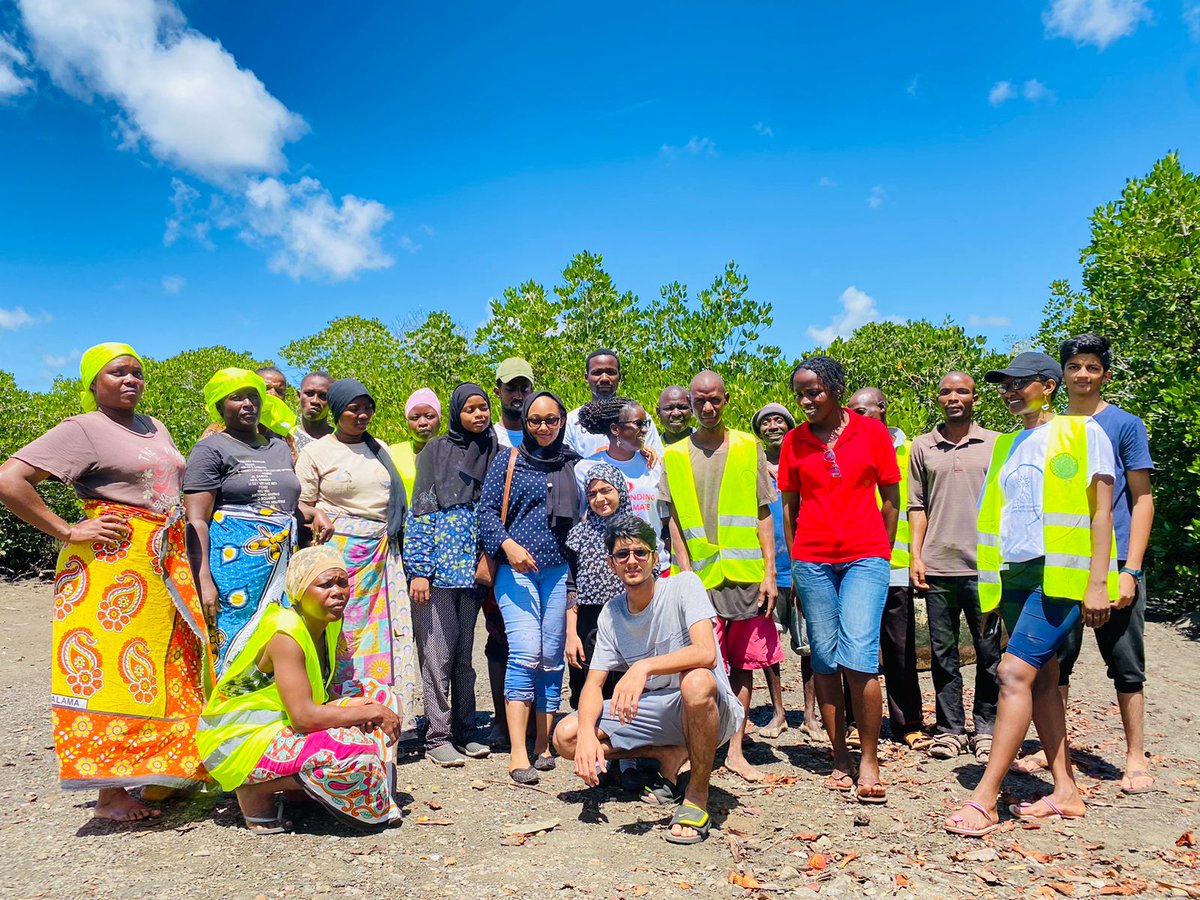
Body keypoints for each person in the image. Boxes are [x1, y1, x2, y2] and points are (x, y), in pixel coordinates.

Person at [0, 342, 211, 823]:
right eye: (117, 373)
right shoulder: (83, 429)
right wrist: (68, 530)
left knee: (167, 665)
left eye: (137, 372)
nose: (130, 380)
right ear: (94, 382)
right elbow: (9, 479)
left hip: (161, 562)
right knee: (112, 672)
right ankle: (110, 794)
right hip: (112, 565)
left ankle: (161, 772)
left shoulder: (154, 426)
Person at [944, 351, 1116, 837]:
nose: (1010, 391)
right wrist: (990, 591)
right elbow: (997, 520)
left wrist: (1100, 581)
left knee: (1013, 673)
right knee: (1042, 679)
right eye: (1004, 384)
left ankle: (986, 797)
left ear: (1048, 385)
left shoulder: (1084, 433)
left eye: (1020, 383)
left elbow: (1101, 513)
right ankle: (1066, 791)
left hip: (1059, 575)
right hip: (1014, 576)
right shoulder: (1008, 445)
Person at [1013, 334, 1156, 794]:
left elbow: (1142, 498)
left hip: (1112, 560)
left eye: (1092, 367)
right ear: (1059, 376)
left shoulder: (1125, 425)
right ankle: (1058, 751)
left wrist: (1130, 569)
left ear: (1105, 375)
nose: (1083, 375)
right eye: (1074, 366)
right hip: (1059, 563)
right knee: (1057, 661)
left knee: (1126, 662)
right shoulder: (1046, 429)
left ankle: (1135, 755)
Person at [554, 517, 743, 844]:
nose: (632, 561)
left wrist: (642, 668)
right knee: (566, 737)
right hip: (657, 713)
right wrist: (586, 732)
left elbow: (706, 653)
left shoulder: (684, 586)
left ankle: (697, 795)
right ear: (611, 563)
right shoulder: (611, 613)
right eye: (622, 554)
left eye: (640, 552)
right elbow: (593, 685)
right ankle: (667, 754)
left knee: (696, 682)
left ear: (655, 557)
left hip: (706, 707)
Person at [196, 546, 403, 833]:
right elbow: (303, 718)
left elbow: (319, 693)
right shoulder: (286, 635)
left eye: (342, 582)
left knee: (383, 696)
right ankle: (255, 790)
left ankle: (308, 789)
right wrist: (367, 714)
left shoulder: (328, 621)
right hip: (239, 739)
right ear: (299, 591)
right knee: (355, 751)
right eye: (325, 584)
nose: (337, 592)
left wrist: (368, 708)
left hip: (279, 724)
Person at [780, 356, 899, 804]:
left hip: (864, 559)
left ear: (834, 388)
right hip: (812, 561)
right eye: (801, 394)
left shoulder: (872, 434)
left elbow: (891, 497)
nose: (807, 400)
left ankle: (868, 758)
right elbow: (789, 506)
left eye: (814, 391)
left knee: (861, 655)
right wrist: (795, 562)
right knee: (824, 658)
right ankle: (838, 755)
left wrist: (880, 551)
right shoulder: (794, 441)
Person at [661, 370, 778, 783]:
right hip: (699, 579)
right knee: (702, 665)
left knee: (744, 664)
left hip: (745, 576)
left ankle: (736, 750)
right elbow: (672, 516)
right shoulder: (674, 454)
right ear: (690, 404)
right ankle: (700, 745)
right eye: (699, 401)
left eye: (714, 400)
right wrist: (684, 568)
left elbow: (764, 511)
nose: (707, 408)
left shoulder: (749, 447)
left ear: (726, 400)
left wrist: (769, 571)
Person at [295, 379, 417, 734]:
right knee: (338, 631)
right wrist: (315, 513)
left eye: (367, 408)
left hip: (380, 554)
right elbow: (301, 503)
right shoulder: (318, 452)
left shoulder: (379, 449)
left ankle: (382, 710)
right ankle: (338, 714)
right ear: (336, 411)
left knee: (382, 635)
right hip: (338, 554)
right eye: (353, 408)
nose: (361, 415)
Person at [478, 390, 580, 784]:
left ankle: (543, 744)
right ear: (524, 422)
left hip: (556, 570)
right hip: (515, 568)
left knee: (552, 655)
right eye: (534, 420)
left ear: (561, 421)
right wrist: (507, 545)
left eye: (550, 420)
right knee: (526, 651)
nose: (542, 427)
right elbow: (486, 511)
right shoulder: (509, 459)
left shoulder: (571, 462)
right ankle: (518, 752)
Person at [404, 383, 499, 767]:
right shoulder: (435, 451)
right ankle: (437, 736)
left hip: (473, 573)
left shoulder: (494, 451)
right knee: (436, 655)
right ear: (457, 413)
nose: (478, 415)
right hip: (438, 571)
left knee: (464, 657)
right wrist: (420, 571)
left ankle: (465, 730)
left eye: (483, 408)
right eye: (470, 409)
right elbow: (421, 511)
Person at [909, 372, 1001, 762]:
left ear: (974, 398)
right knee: (943, 654)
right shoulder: (922, 446)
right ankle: (949, 729)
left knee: (990, 653)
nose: (953, 397)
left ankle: (986, 728)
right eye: (946, 391)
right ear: (938, 398)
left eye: (962, 391)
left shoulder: (997, 444)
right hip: (939, 566)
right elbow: (917, 506)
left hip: (986, 568)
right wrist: (916, 556)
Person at [184, 368, 300, 676]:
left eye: (253, 396)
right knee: (235, 641)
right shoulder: (210, 448)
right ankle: (232, 716)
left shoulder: (279, 447)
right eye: (236, 398)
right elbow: (196, 519)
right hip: (233, 567)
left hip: (281, 566)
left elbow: (287, 502)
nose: (248, 404)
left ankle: (273, 716)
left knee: (280, 638)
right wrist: (203, 577)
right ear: (220, 407)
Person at [846, 387, 928, 751]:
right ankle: (855, 722)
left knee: (900, 649)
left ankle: (908, 722)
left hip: (895, 567)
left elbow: (917, 508)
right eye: (853, 411)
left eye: (866, 411)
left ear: (884, 408)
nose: (859, 417)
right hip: (854, 566)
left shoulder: (909, 452)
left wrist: (917, 560)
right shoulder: (844, 448)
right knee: (857, 649)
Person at [752, 402, 810, 740]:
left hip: (803, 569)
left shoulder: (802, 460)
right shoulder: (753, 467)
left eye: (779, 420)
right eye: (766, 421)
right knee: (769, 649)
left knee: (809, 647)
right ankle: (778, 713)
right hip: (768, 573)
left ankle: (811, 716)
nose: (773, 425)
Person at [573, 396, 667, 560]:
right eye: (638, 424)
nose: (645, 430)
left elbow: (665, 518)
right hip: (608, 568)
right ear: (615, 429)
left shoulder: (653, 465)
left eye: (646, 424)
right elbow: (581, 519)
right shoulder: (585, 468)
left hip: (654, 563)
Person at [564, 349, 664, 459]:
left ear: (619, 377)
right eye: (597, 373)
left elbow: (656, 460)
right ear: (586, 377)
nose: (604, 378)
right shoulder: (571, 422)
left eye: (611, 372)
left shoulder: (641, 418)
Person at [493, 357, 534, 449]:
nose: (518, 396)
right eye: (511, 389)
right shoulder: (489, 440)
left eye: (524, 389)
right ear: (497, 392)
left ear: (531, 392)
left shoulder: (542, 437)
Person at [292, 372, 334, 454]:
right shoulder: (287, 437)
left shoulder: (341, 439)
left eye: (323, 396)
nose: (315, 401)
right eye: (309, 394)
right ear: (298, 396)